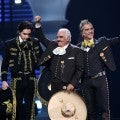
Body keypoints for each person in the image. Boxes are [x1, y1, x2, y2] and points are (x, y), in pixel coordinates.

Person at [77, 19, 120, 120]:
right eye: (87, 29)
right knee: (90, 111)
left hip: (100, 80)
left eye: (91, 28)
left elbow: (117, 40)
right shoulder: (78, 48)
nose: (90, 31)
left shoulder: (102, 42)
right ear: (82, 33)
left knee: (105, 110)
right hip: (86, 82)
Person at [1, 21, 43, 120]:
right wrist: (3, 80)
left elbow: (42, 57)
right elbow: (5, 64)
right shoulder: (10, 44)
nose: (26, 36)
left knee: (31, 107)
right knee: (16, 107)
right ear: (19, 32)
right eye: (24, 34)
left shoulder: (35, 42)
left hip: (31, 78)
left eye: (28, 34)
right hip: (17, 79)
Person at [35, 16, 84, 95]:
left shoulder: (76, 50)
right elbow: (42, 38)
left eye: (61, 37)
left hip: (68, 85)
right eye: (57, 37)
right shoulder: (53, 45)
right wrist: (38, 24)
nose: (58, 39)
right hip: (54, 85)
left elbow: (80, 69)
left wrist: (72, 83)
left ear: (68, 39)